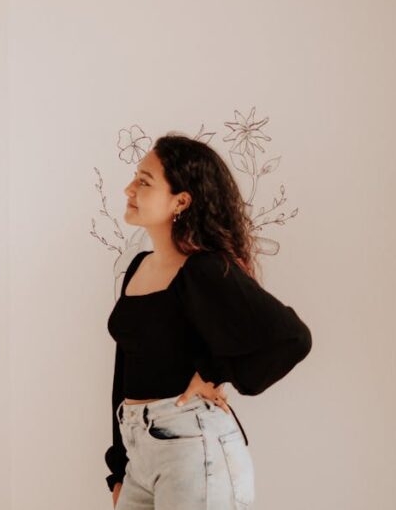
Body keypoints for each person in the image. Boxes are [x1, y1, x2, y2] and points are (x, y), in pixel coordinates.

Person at [105, 133, 313, 509]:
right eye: (135, 177)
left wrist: (214, 372)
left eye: (144, 181)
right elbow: (124, 367)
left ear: (181, 201)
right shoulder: (138, 267)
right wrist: (119, 469)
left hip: (194, 449)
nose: (129, 189)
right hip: (139, 453)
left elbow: (292, 338)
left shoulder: (204, 269)